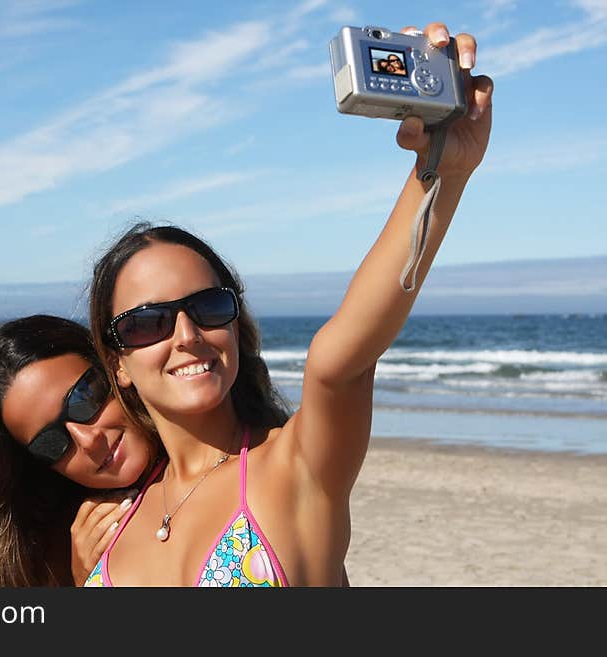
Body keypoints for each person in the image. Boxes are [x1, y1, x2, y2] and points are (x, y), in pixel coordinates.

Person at [83, 22, 492, 586]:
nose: (186, 335)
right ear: (117, 365)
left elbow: (341, 360)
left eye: (207, 307)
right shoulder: (106, 532)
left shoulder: (296, 471)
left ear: (236, 323)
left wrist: (441, 174)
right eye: (147, 323)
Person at [0, 314, 162, 586]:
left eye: (83, 400)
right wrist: (85, 580)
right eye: (51, 442)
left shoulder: (223, 460)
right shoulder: (57, 551)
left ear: (114, 368)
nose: (88, 440)